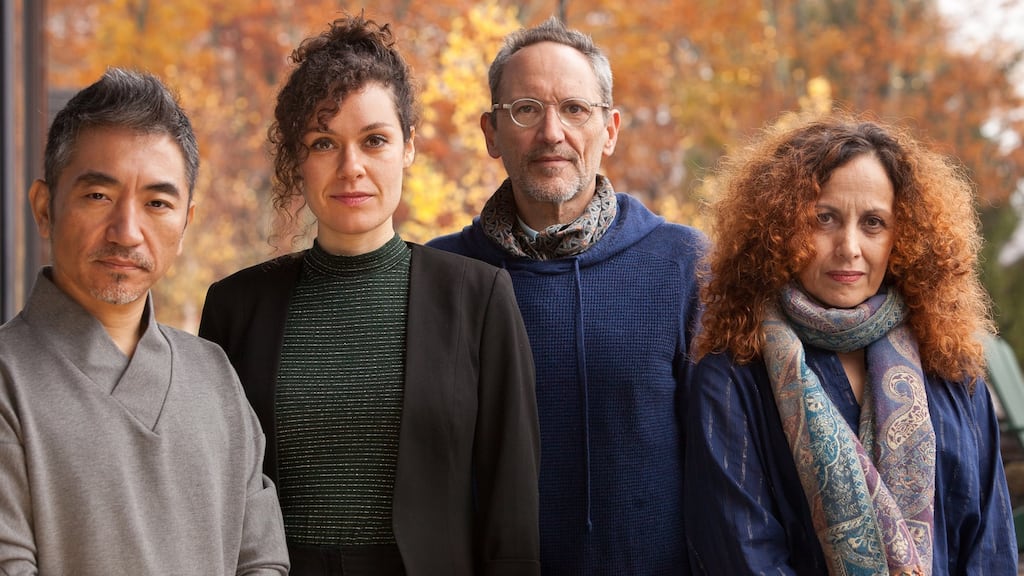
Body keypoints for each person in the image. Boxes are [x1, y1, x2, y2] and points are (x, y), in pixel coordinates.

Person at [199, 14, 540, 576]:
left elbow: (512, 511)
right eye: (324, 142)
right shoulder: (236, 308)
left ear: (408, 146)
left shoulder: (477, 299)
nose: (350, 167)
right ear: (297, 159)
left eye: (374, 140)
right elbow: (210, 497)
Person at [683, 112, 1018, 574]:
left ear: (904, 236)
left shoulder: (950, 366)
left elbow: (990, 545)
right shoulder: (735, 372)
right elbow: (743, 554)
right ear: (780, 230)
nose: (850, 246)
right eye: (824, 218)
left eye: (874, 222)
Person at [428, 16, 705, 574]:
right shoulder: (440, 274)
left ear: (610, 129)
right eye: (526, 109)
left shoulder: (683, 265)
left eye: (575, 109)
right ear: (490, 132)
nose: (551, 132)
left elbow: (726, 468)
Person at [0, 68, 289, 575]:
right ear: (45, 208)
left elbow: (262, 561)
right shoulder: (8, 380)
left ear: (184, 224)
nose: (127, 232)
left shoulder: (214, 374)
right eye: (98, 196)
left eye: (157, 203)